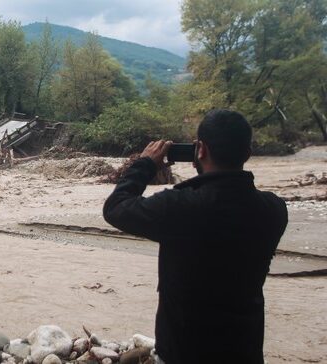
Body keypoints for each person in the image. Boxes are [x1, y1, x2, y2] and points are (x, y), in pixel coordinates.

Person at [103, 110, 288, 364]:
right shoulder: (274, 210)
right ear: (247, 153)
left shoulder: (179, 207)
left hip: (183, 351)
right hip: (245, 351)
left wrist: (145, 164)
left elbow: (115, 208)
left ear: (199, 150)